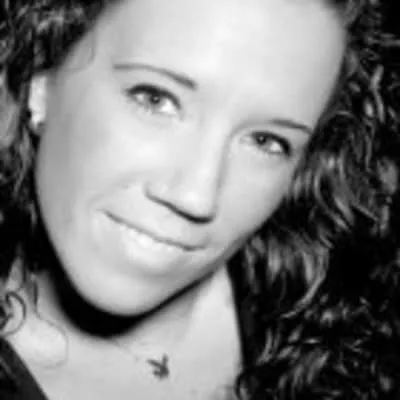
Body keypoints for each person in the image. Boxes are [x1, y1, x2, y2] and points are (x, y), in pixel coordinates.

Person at [0, 0, 398, 399]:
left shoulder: (361, 324)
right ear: (41, 81)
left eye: (266, 141)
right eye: (155, 99)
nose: (196, 197)